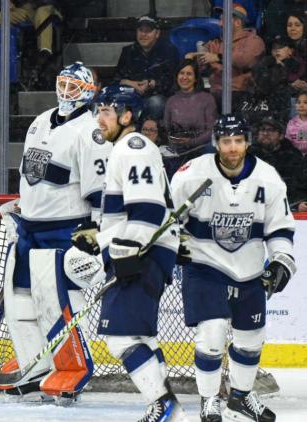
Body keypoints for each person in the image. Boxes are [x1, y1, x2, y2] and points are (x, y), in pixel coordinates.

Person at [64, 86, 184, 421]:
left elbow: (145, 210)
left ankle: (163, 405)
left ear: (127, 115)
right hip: (140, 250)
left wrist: (127, 253)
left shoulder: (133, 148)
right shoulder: (125, 149)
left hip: (142, 253)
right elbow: (126, 214)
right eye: (97, 111)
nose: (99, 119)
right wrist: (100, 236)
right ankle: (169, 410)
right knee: (142, 336)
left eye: (106, 111)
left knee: (120, 338)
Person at [171, 114, 296, 422]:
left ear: (247, 142)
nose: (232, 148)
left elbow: (279, 229)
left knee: (251, 338)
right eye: (226, 141)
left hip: (249, 270)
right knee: (211, 334)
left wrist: (280, 261)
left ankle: (239, 398)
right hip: (204, 265)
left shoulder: (268, 179)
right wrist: (172, 247)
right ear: (216, 143)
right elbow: (167, 218)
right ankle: (210, 399)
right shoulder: (191, 176)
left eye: (238, 141)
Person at [0, 62, 109, 403]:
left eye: (75, 87)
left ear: (88, 93)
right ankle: (35, 366)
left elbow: (99, 191)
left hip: (64, 231)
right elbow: (32, 172)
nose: (66, 92)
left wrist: (94, 231)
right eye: (63, 83)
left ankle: (73, 368)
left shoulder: (90, 132)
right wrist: (22, 204)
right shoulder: (39, 121)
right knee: (20, 300)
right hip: (29, 229)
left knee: (59, 303)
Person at [187, 3, 265, 106]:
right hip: (214, 93)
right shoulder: (215, 43)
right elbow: (203, 66)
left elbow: (244, 60)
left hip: (241, 94)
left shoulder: (254, 41)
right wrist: (194, 58)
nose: (219, 24)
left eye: (224, 20)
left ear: (237, 22)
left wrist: (217, 57)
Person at [114, 15, 180, 120]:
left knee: (155, 103)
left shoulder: (169, 51)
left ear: (157, 33)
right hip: (130, 96)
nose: (143, 34)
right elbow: (116, 80)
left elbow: (173, 81)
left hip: (158, 97)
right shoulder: (127, 52)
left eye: (148, 31)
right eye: (141, 30)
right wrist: (132, 84)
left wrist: (151, 84)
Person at [163, 58, 217, 178]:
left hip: (201, 147)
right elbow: (166, 129)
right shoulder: (171, 101)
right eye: (181, 73)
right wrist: (175, 141)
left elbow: (211, 130)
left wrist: (191, 143)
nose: (185, 77)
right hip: (177, 148)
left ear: (196, 78)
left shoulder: (207, 99)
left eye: (189, 74)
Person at [249, 115, 307, 207]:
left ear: (281, 135)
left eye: (271, 130)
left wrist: (297, 204)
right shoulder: (248, 155)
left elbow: (298, 188)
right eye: (262, 129)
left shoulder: (293, 156)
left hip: (284, 206)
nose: (265, 133)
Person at [285, 88, 307, 154]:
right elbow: (287, 145)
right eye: (298, 102)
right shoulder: (291, 124)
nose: (301, 105)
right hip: (296, 159)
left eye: (306, 102)